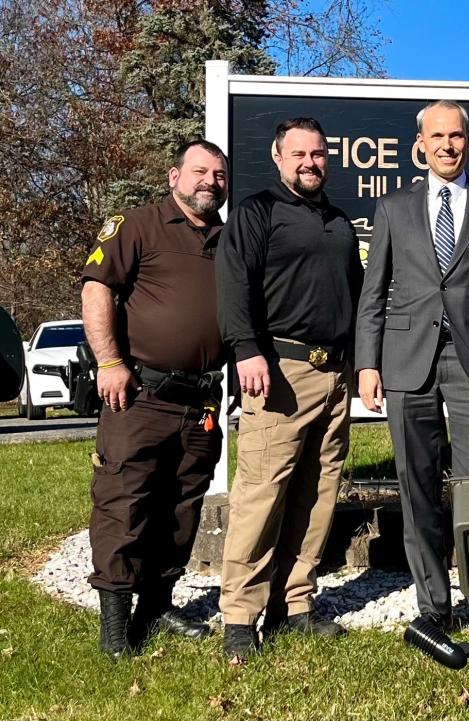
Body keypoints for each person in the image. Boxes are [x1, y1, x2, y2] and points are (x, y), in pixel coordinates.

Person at [354, 100, 469, 648]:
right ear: (420, 144)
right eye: (437, 137)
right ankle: (433, 605)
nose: (447, 146)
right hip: (406, 362)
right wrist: (367, 362)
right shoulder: (392, 208)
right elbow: (373, 294)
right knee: (417, 489)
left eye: (456, 136)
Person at [216, 117, 363, 659]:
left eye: (319, 154)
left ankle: (294, 603)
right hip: (278, 370)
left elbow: (357, 297)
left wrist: (358, 364)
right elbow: (234, 284)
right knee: (262, 492)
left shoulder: (340, 222)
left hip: (334, 374)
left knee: (317, 494)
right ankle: (239, 616)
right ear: (278, 158)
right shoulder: (258, 212)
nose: (310, 162)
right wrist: (247, 349)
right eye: (299, 154)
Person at [81, 139, 229, 658]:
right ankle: (116, 626)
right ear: (174, 177)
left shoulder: (228, 240)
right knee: (125, 503)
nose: (210, 181)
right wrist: (110, 362)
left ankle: (157, 606)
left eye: (219, 174)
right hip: (140, 395)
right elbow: (97, 287)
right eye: (199, 171)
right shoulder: (138, 225)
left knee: (183, 507)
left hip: (202, 403)